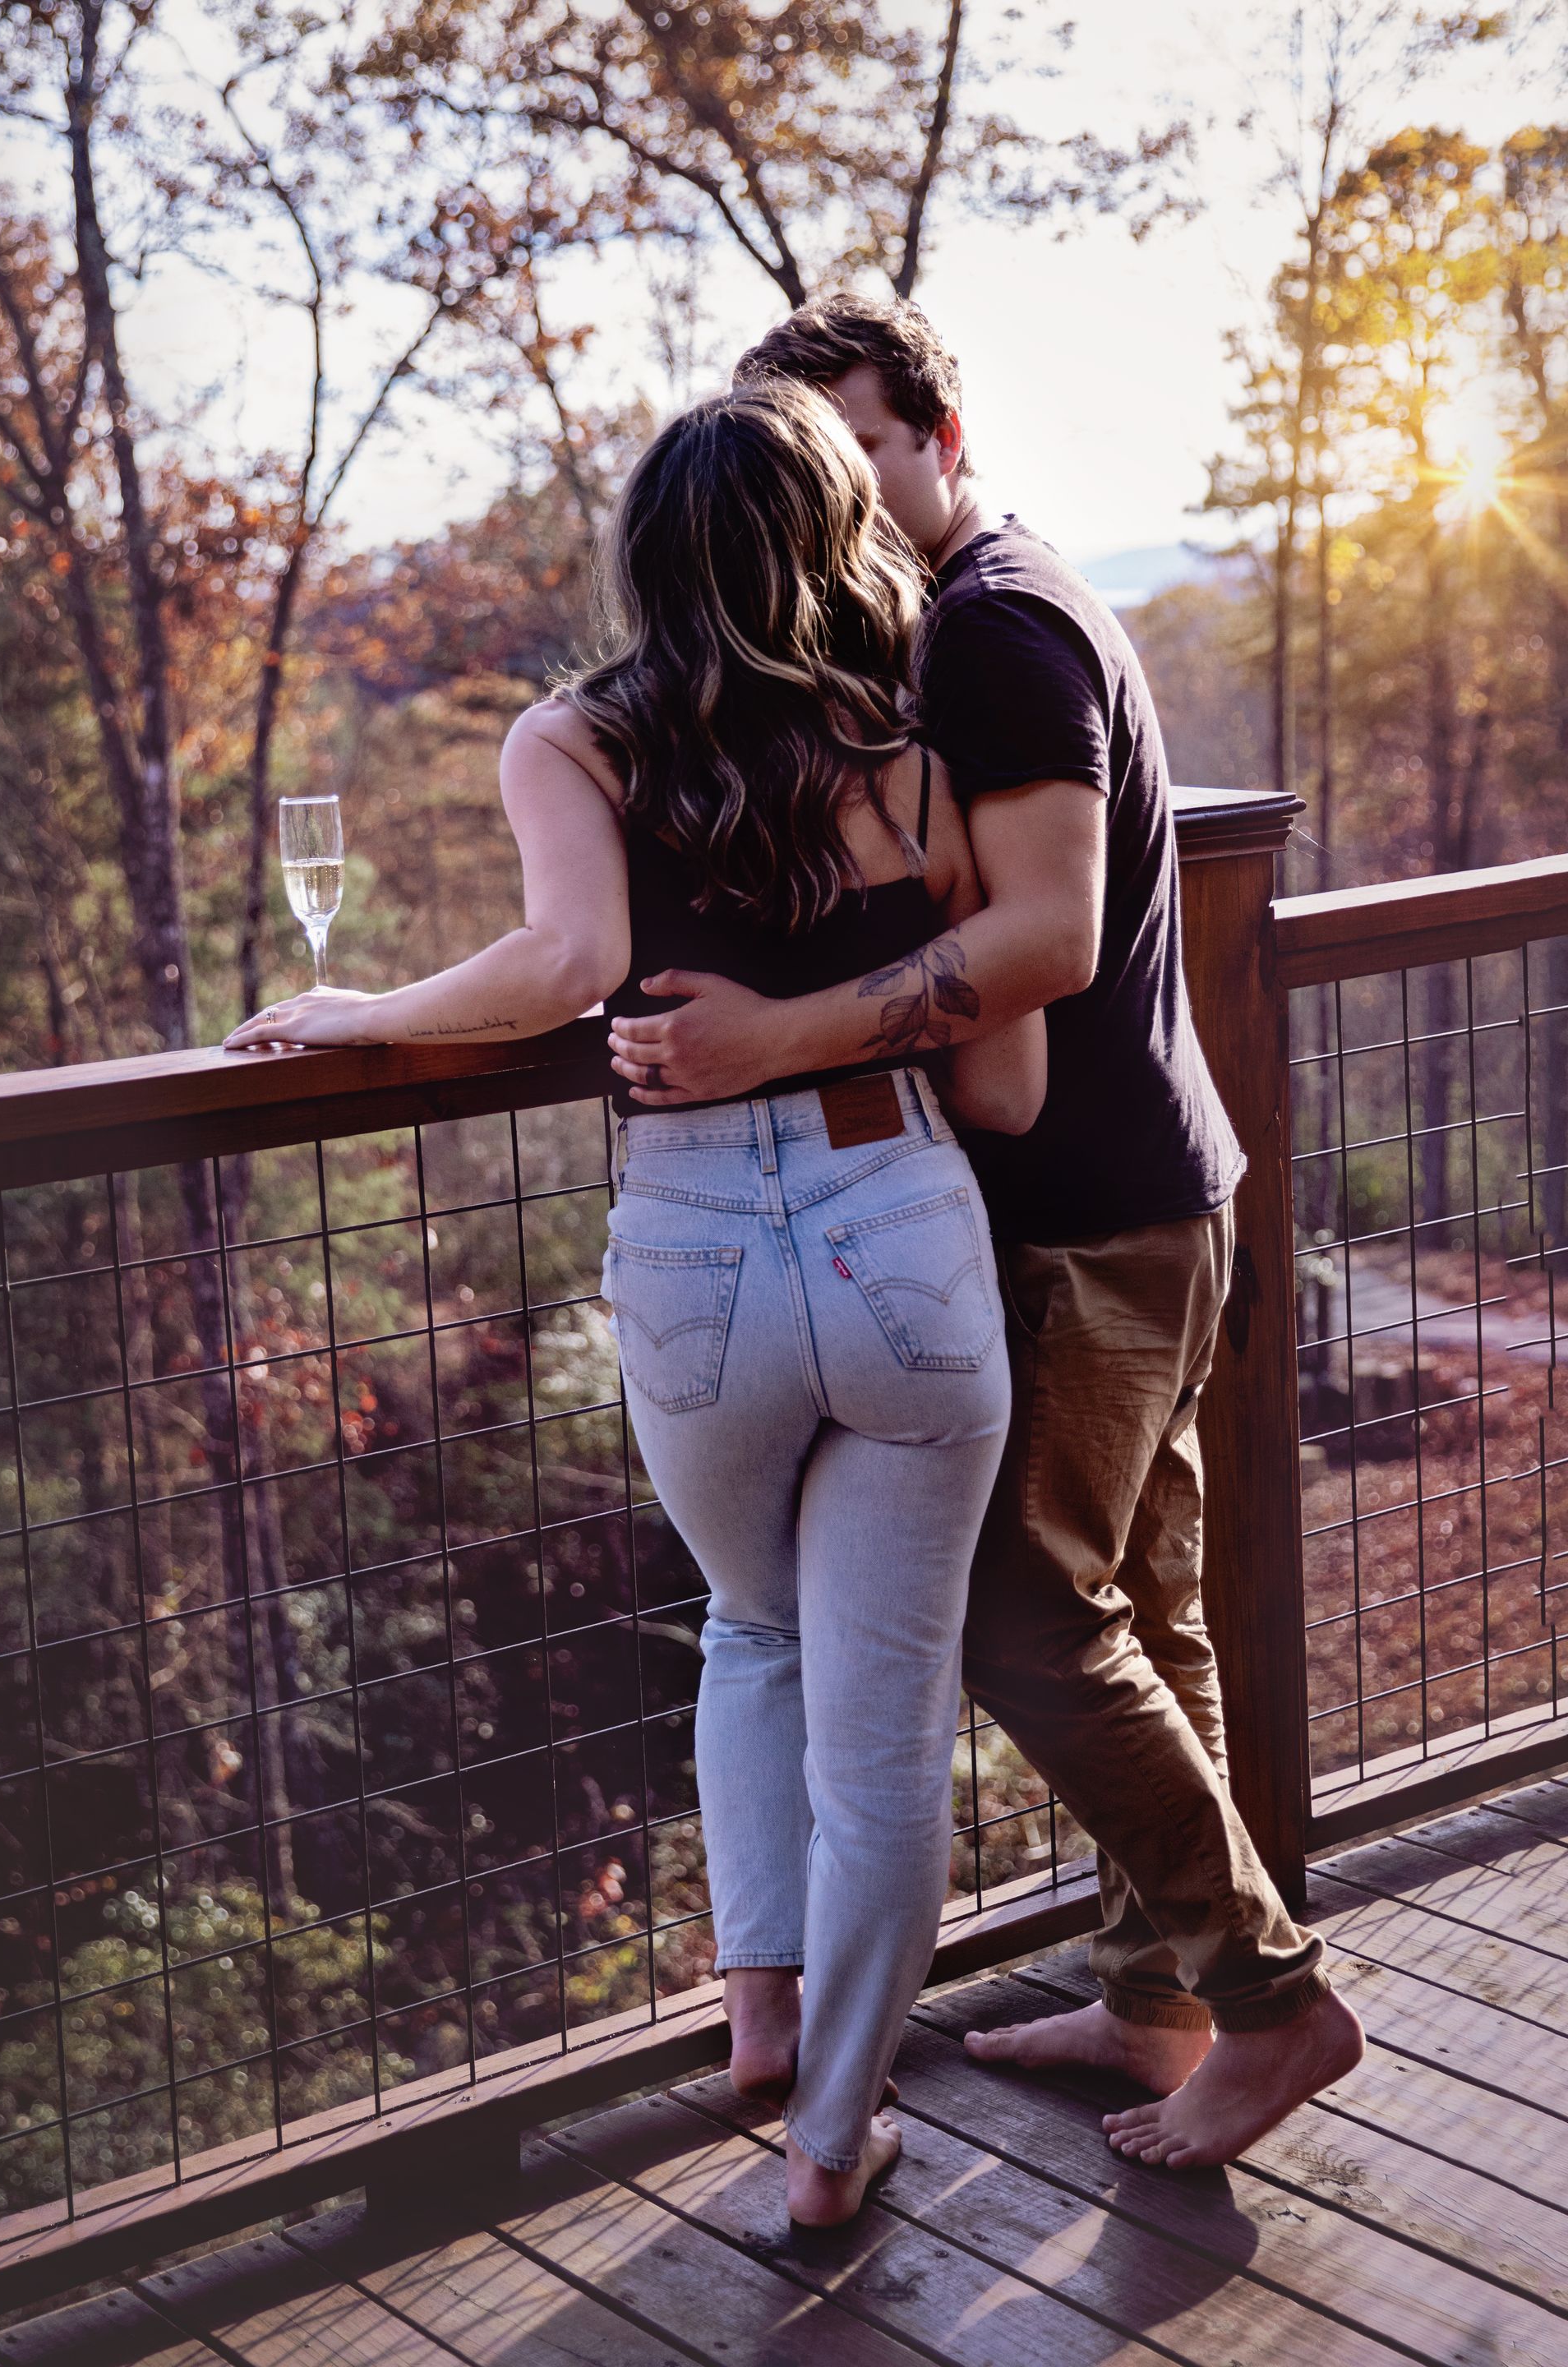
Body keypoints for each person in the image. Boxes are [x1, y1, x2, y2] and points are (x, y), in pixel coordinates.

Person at [224, 381, 1044, 2223]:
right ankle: (830, 2140)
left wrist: (364, 1014)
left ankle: (759, 2017)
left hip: (693, 1247)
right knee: (887, 1736)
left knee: (751, 1628)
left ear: (650, 557)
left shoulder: (574, 741)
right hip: (901, 1220)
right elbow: (1006, 1085)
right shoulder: (919, 758)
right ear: (836, 536)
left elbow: (570, 959)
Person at [605, 295, 1365, 2172]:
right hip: (1150, 1198)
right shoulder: (974, 614)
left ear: (940, 434)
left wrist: (770, 1036)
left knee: (1031, 1621)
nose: (841, 488)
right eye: (813, 458)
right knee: (1142, 1617)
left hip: (1089, 1218)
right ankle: (1161, 1998)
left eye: (860, 444)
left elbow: (1047, 936)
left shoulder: (993, 632)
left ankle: (1274, 2006)